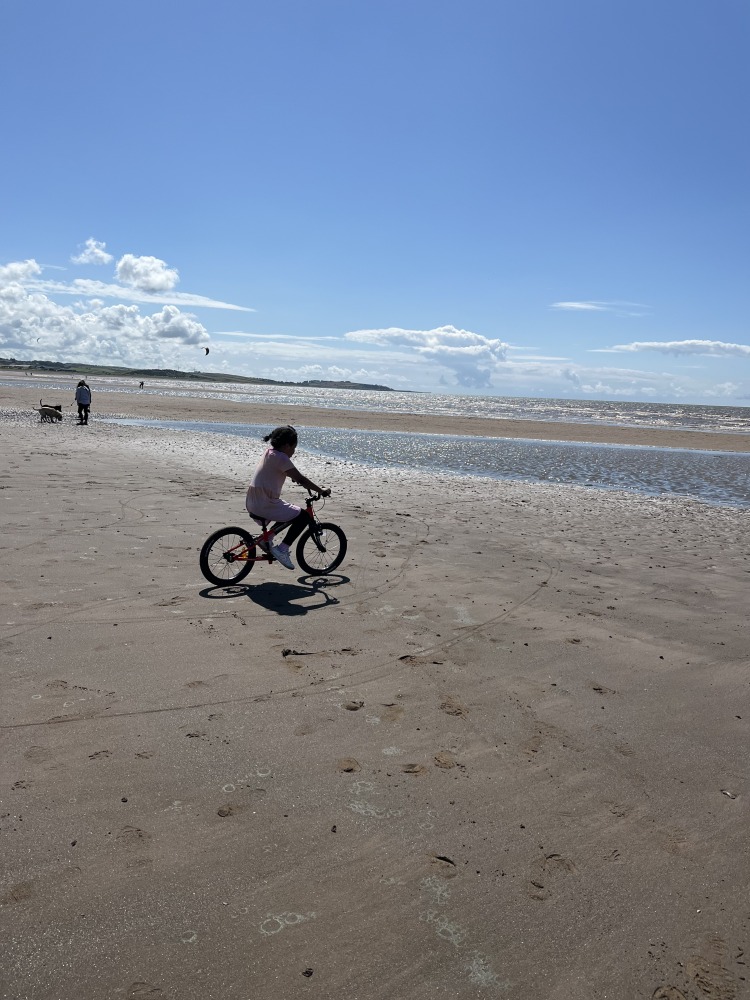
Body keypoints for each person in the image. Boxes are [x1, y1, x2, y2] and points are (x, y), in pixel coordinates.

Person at [245, 425, 329, 571]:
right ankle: (283, 549)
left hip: (253, 500)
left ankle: (267, 540)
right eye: (293, 447)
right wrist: (321, 490)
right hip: (265, 503)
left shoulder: (269, 452)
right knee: (303, 516)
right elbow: (301, 479)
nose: (294, 451)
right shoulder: (282, 458)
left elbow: (277, 472)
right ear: (286, 445)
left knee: (288, 511)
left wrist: (295, 478)